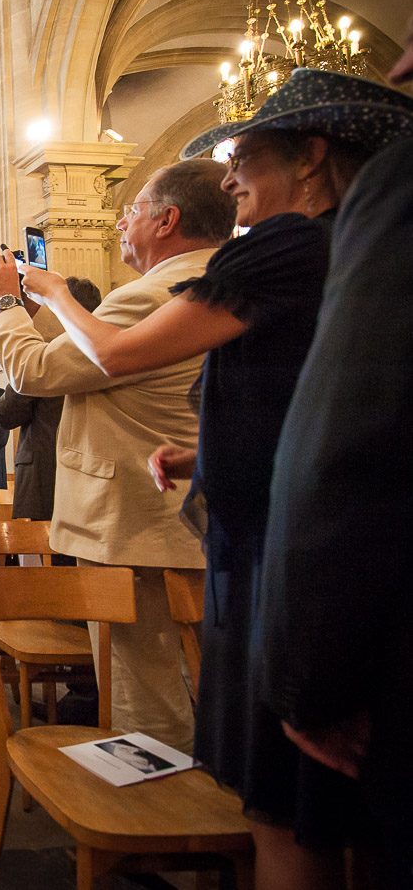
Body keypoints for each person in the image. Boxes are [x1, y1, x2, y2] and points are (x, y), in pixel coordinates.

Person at [19, 68, 413, 889]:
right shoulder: (352, 246)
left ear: (310, 158)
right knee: (347, 820)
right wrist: (215, 449)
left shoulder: (285, 245)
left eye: (247, 157)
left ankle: (163, 858)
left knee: (281, 812)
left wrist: (51, 290)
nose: (230, 177)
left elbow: (111, 356)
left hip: (283, 558)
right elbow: (327, 391)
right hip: (302, 537)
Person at [0, 157, 233, 754]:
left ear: (168, 220)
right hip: (186, 513)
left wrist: (8, 304)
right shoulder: (221, 283)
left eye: (135, 209)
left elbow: (36, 371)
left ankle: (152, 830)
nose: (122, 220)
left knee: (142, 690)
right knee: (190, 677)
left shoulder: (152, 294)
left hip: (133, 523)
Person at [261, 45, 413, 887]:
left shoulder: (394, 194)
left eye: (246, 156)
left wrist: (305, 675)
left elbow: (343, 441)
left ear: (313, 155)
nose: (399, 62)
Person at [0, 277, 103, 524]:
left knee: (40, 557)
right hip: (90, 472)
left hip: (44, 472)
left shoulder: (49, 354)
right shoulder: (102, 350)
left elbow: (6, 414)